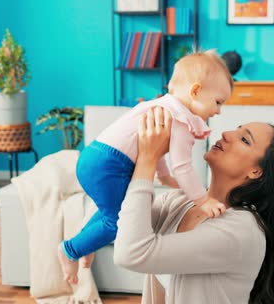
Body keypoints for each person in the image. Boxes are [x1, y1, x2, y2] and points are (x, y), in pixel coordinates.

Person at [58, 50, 234, 284]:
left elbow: (152, 147)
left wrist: (163, 176)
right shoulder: (180, 119)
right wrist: (203, 200)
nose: (219, 110)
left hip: (94, 157)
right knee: (119, 222)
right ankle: (70, 249)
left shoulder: (161, 107)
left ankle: (85, 242)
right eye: (218, 102)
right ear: (195, 91)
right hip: (111, 166)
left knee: (110, 211)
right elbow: (183, 166)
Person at [114, 107, 274, 304]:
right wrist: (86, 244)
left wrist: (148, 158)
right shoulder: (177, 201)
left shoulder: (241, 229)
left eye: (244, 140)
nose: (226, 134)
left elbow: (131, 253)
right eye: (236, 130)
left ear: (255, 171)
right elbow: (122, 220)